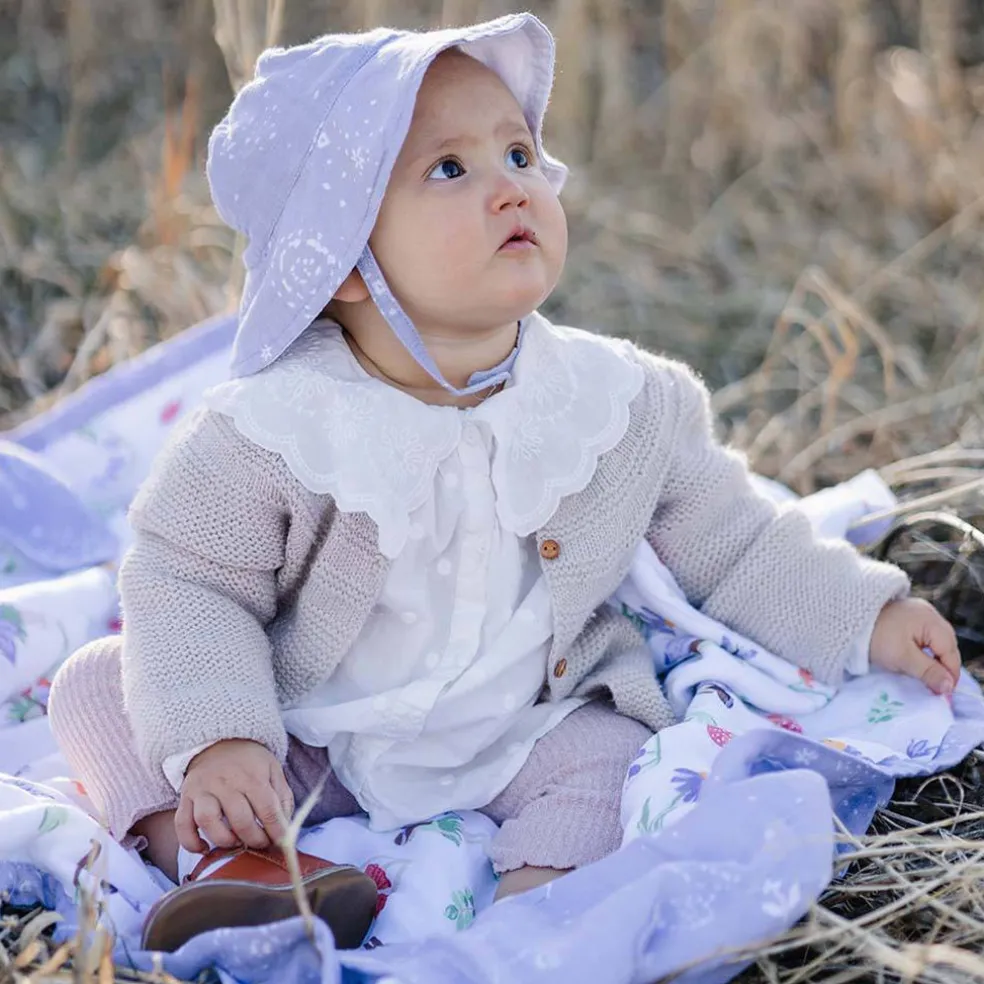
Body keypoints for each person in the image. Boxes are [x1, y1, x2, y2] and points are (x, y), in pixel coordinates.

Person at [47, 13, 961, 953]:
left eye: (521, 153)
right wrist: (225, 740)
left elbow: (735, 540)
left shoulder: (614, 403)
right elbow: (189, 583)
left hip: (521, 725)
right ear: (345, 263)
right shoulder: (273, 430)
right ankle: (236, 863)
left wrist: (865, 618)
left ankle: (533, 925)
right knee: (101, 687)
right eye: (451, 169)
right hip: (308, 728)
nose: (510, 188)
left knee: (616, 758)